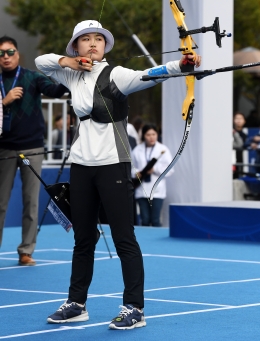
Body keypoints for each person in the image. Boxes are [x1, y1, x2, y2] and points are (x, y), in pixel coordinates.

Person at [35, 20, 201, 329]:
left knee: (124, 237)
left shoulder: (117, 75)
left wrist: (182, 64)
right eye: (86, 39)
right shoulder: (71, 75)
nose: (93, 43)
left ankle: (134, 308)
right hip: (81, 167)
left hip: (113, 164)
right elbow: (40, 62)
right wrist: (69, 62)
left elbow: (149, 75)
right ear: (76, 47)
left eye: (98, 38)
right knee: (83, 238)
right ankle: (77, 303)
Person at [0, 35, 68, 266]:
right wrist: (3, 102)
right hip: (5, 148)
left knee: (31, 201)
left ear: (18, 54)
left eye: (10, 52)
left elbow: (56, 90)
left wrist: (71, 71)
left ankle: (26, 251)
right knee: (0, 202)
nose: (6, 57)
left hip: (32, 148)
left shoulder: (32, 77)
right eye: (1, 53)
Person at [131, 123, 174, 227]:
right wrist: (136, 173)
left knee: (155, 220)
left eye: (153, 134)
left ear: (157, 135)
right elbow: (132, 166)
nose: (151, 137)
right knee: (145, 220)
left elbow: (170, 169)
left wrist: (155, 169)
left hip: (157, 190)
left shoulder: (163, 149)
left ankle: (158, 243)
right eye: (148, 135)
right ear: (143, 136)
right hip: (141, 189)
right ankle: (144, 242)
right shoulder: (137, 150)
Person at [232, 112, 248, 178]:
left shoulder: (245, 135)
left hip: (242, 159)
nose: (239, 120)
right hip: (232, 160)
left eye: (241, 118)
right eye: (236, 118)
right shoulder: (230, 133)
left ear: (244, 121)